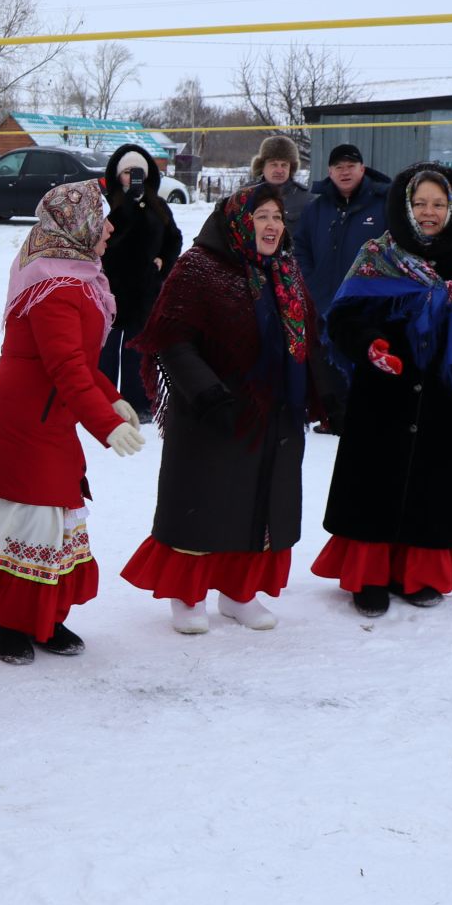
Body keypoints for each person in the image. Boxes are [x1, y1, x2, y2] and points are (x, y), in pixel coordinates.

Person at [0, 181, 147, 663]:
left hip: (49, 418)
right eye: (102, 217)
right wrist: (105, 426)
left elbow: (82, 362)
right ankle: (7, 623)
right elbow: (65, 366)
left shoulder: (77, 275)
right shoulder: (54, 286)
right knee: (24, 520)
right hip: (22, 421)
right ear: (77, 224)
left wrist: (111, 401)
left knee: (53, 524)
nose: (109, 227)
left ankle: (43, 618)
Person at [122, 185, 340, 633]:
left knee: (260, 505)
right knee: (205, 504)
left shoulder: (286, 270)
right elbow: (171, 338)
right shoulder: (199, 269)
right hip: (213, 413)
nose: (273, 225)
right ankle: (188, 597)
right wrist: (205, 392)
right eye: (262, 216)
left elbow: (308, 338)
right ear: (239, 220)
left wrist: (328, 394)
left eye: (278, 217)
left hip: (275, 413)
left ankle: (240, 594)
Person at [312, 165, 452, 617]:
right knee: (374, 485)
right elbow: (342, 319)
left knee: (433, 487)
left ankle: (417, 574)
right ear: (404, 205)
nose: (428, 212)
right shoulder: (379, 253)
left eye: (438, 204)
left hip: (447, 399)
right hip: (384, 393)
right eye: (420, 203)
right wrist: (370, 345)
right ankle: (369, 578)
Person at [97, 143, 183, 421]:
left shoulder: (157, 205)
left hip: (145, 287)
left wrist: (163, 262)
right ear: (117, 174)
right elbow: (109, 238)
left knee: (138, 348)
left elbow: (174, 238)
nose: (132, 177)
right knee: (107, 348)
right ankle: (104, 399)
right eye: (127, 172)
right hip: (111, 285)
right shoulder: (107, 202)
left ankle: (139, 402)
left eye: (138, 172)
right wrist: (129, 206)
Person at [293, 143, 392, 343]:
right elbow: (300, 248)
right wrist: (312, 283)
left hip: (370, 311)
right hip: (322, 308)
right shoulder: (315, 209)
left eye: (350, 166)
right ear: (330, 172)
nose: (345, 172)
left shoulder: (384, 205)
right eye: (339, 167)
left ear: (362, 169)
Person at [250, 134, 308, 225]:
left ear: (291, 168)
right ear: (262, 167)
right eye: (274, 164)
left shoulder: (307, 199)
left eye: (284, 165)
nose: (279, 171)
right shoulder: (246, 196)